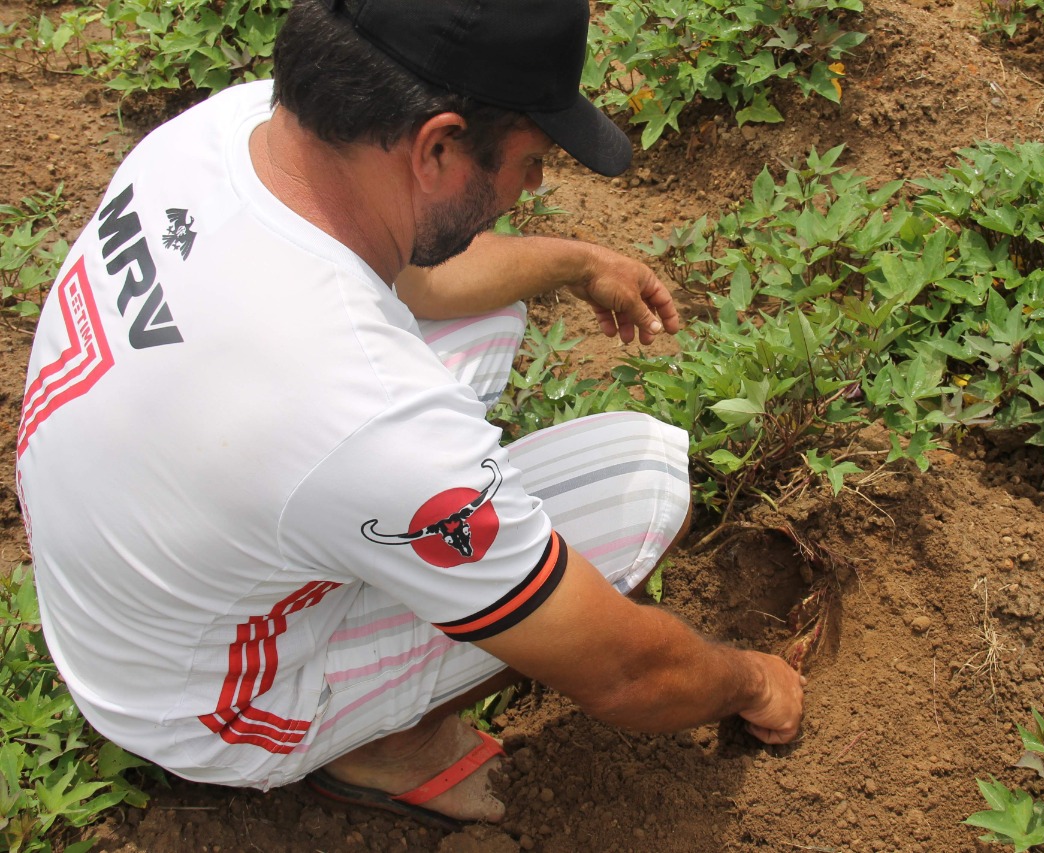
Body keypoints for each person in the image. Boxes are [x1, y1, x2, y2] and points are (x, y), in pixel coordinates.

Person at [16, 0, 805, 829]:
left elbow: (420, 278)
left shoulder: (228, 130)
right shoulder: (357, 405)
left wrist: (579, 261)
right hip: (197, 703)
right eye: (532, 159)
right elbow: (621, 670)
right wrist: (752, 680)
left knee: (483, 307)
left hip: (116, 578)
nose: (534, 185)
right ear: (437, 145)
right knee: (639, 482)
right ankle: (385, 748)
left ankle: (343, 555)